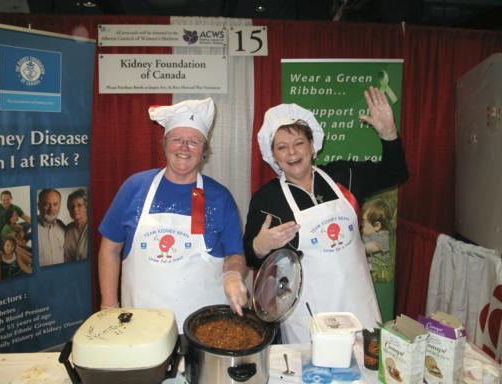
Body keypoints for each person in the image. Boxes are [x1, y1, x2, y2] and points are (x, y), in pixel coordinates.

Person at [244, 86, 408, 343]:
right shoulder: (267, 199)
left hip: (357, 302)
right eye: (282, 147)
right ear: (273, 155)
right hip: (307, 312)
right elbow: (249, 255)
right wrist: (259, 245)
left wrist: (389, 134)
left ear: (312, 146)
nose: (292, 152)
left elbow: (396, 172)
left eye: (299, 143)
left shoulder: (343, 175)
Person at [98, 98, 248, 329]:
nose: (184, 148)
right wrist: (109, 306)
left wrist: (233, 276)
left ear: (204, 151)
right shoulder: (135, 187)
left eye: (194, 142)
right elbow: (110, 248)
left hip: (203, 330)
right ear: (164, 143)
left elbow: (235, 255)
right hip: (140, 326)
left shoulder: (219, 197)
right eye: (177, 139)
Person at [361, 199, 392, 282]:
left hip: (378, 271)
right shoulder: (370, 234)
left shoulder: (382, 237)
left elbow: (367, 248)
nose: (360, 225)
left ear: (376, 226)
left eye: (363, 222)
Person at [37, 188, 66, 266]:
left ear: (60, 206)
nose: (51, 209)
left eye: (55, 204)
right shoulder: (30, 228)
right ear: (38, 206)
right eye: (46, 204)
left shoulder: (63, 227)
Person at [64, 188, 88, 262]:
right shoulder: (67, 229)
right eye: (72, 206)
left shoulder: (95, 227)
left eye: (79, 205)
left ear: (86, 208)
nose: (75, 209)